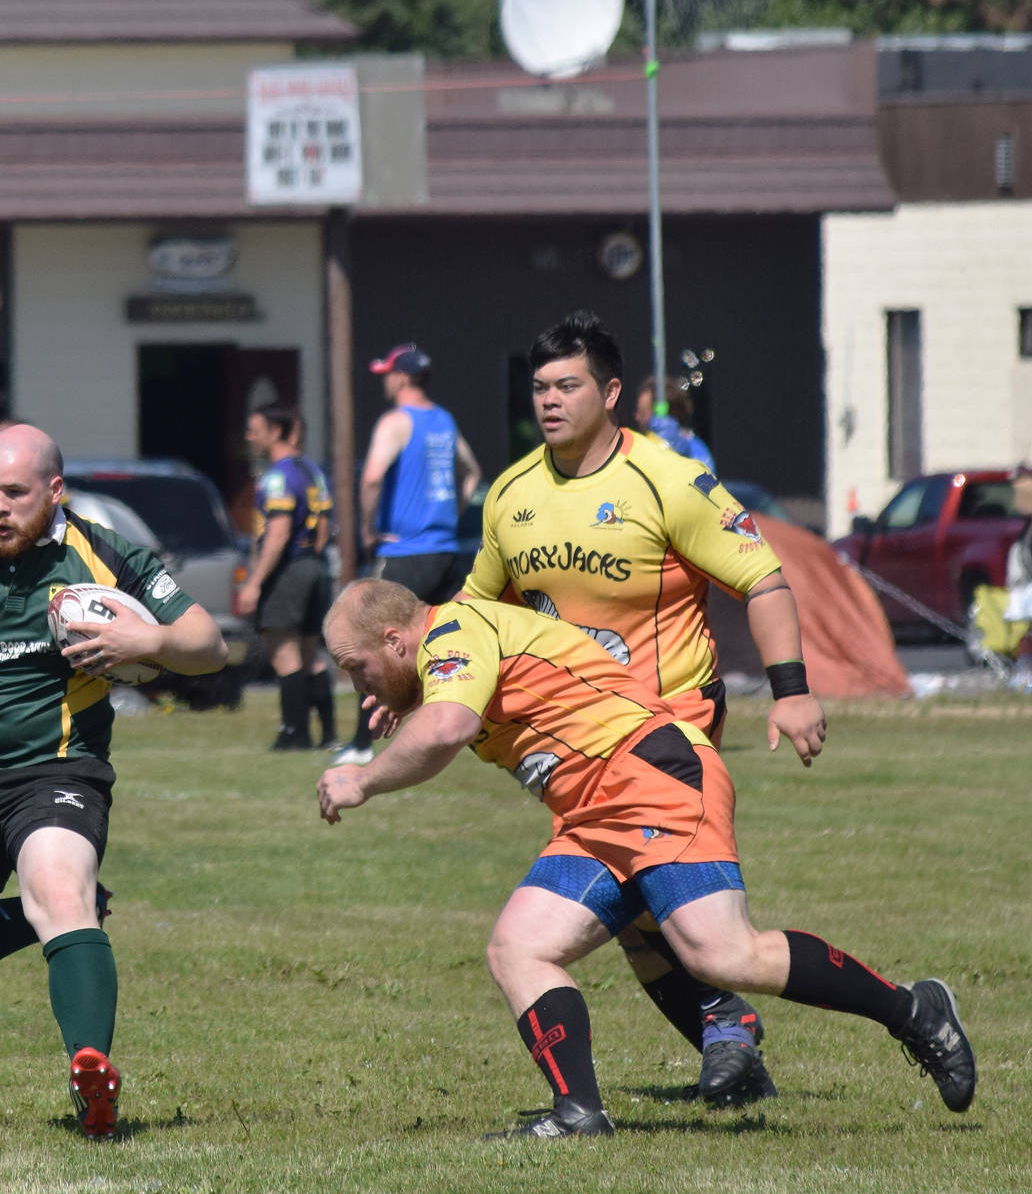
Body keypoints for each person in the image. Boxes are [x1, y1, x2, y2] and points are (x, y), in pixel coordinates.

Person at [316, 579, 974, 1137]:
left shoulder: (453, 631)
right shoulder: (444, 650)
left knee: (721, 955)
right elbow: (449, 708)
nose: (357, 684)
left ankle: (914, 1010)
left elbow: (450, 727)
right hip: (597, 814)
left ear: (395, 641)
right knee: (518, 945)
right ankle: (578, 1113)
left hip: (652, 777)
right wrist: (417, 696)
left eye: (355, 667)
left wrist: (362, 778)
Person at [461, 311, 826, 1107]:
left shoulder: (667, 479)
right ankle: (729, 1032)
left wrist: (791, 689)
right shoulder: (512, 492)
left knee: (651, 903)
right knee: (637, 911)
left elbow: (763, 579)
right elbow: (474, 610)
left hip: (672, 726)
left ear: (612, 392)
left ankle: (738, 1026)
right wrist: (420, 683)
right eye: (539, 387)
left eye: (568, 385)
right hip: (586, 741)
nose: (550, 400)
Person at [0, 423, 226, 1139]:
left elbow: (207, 644)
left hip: (58, 771)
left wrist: (142, 641)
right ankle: (64, 912)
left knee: (58, 887)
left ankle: (92, 1076)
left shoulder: (106, 552)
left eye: (15, 493)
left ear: (54, 491)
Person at [352, 343, 481, 763]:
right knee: (442, 645)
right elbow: (472, 472)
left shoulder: (396, 421)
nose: (385, 382)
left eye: (387, 374)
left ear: (403, 377)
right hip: (445, 551)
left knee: (372, 642)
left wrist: (368, 529)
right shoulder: (443, 420)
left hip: (405, 550)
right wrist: (448, 515)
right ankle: (446, 730)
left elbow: (371, 478)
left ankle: (361, 744)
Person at [232, 403, 336, 752]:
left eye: (255, 429)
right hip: (315, 565)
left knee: (284, 651)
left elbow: (277, 533)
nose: (250, 436)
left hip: (288, 568)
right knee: (311, 653)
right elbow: (323, 528)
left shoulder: (277, 476)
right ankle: (329, 734)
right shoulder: (313, 471)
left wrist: (256, 581)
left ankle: (295, 733)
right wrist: (314, 561)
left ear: (276, 431)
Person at [634, 376, 717, 470]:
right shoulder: (640, 449)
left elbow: (708, 482)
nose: (636, 417)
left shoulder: (697, 450)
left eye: (643, 413)